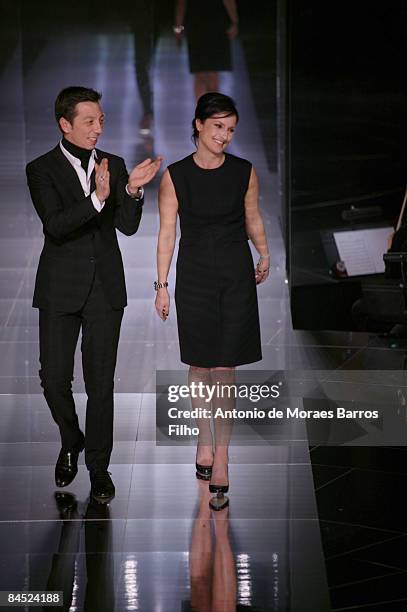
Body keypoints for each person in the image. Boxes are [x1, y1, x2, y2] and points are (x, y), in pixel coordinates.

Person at [26, 86, 162, 503]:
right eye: (89, 121)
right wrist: (99, 197)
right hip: (59, 289)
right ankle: (72, 437)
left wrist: (133, 190)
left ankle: (99, 469)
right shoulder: (41, 170)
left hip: (105, 288)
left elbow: (127, 226)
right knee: (53, 380)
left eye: (101, 119)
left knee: (100, 384)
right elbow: (57, 225)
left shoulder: (114, 164)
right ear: (65, 124)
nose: (97, 128)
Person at [155, 92, 269, 509]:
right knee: (200, 364)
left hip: (236, 274)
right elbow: (167, 232)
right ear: (199, 125)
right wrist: (161, 285)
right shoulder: (176, 176)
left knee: (225, 368)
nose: (225, 135)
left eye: (231, 129)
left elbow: (252, 216)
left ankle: (222, 457)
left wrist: (265, 251)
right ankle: (205, 435)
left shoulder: (243, 171)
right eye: (218, 126)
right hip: (196, 275)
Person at [174, 0, 239, 99]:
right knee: (213, 72)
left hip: (195, 24)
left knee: (200, 74)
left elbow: (181, 3)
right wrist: (234, 22)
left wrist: (178, 29)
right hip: (216, 23)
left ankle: (203, 111)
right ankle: (210, 111)